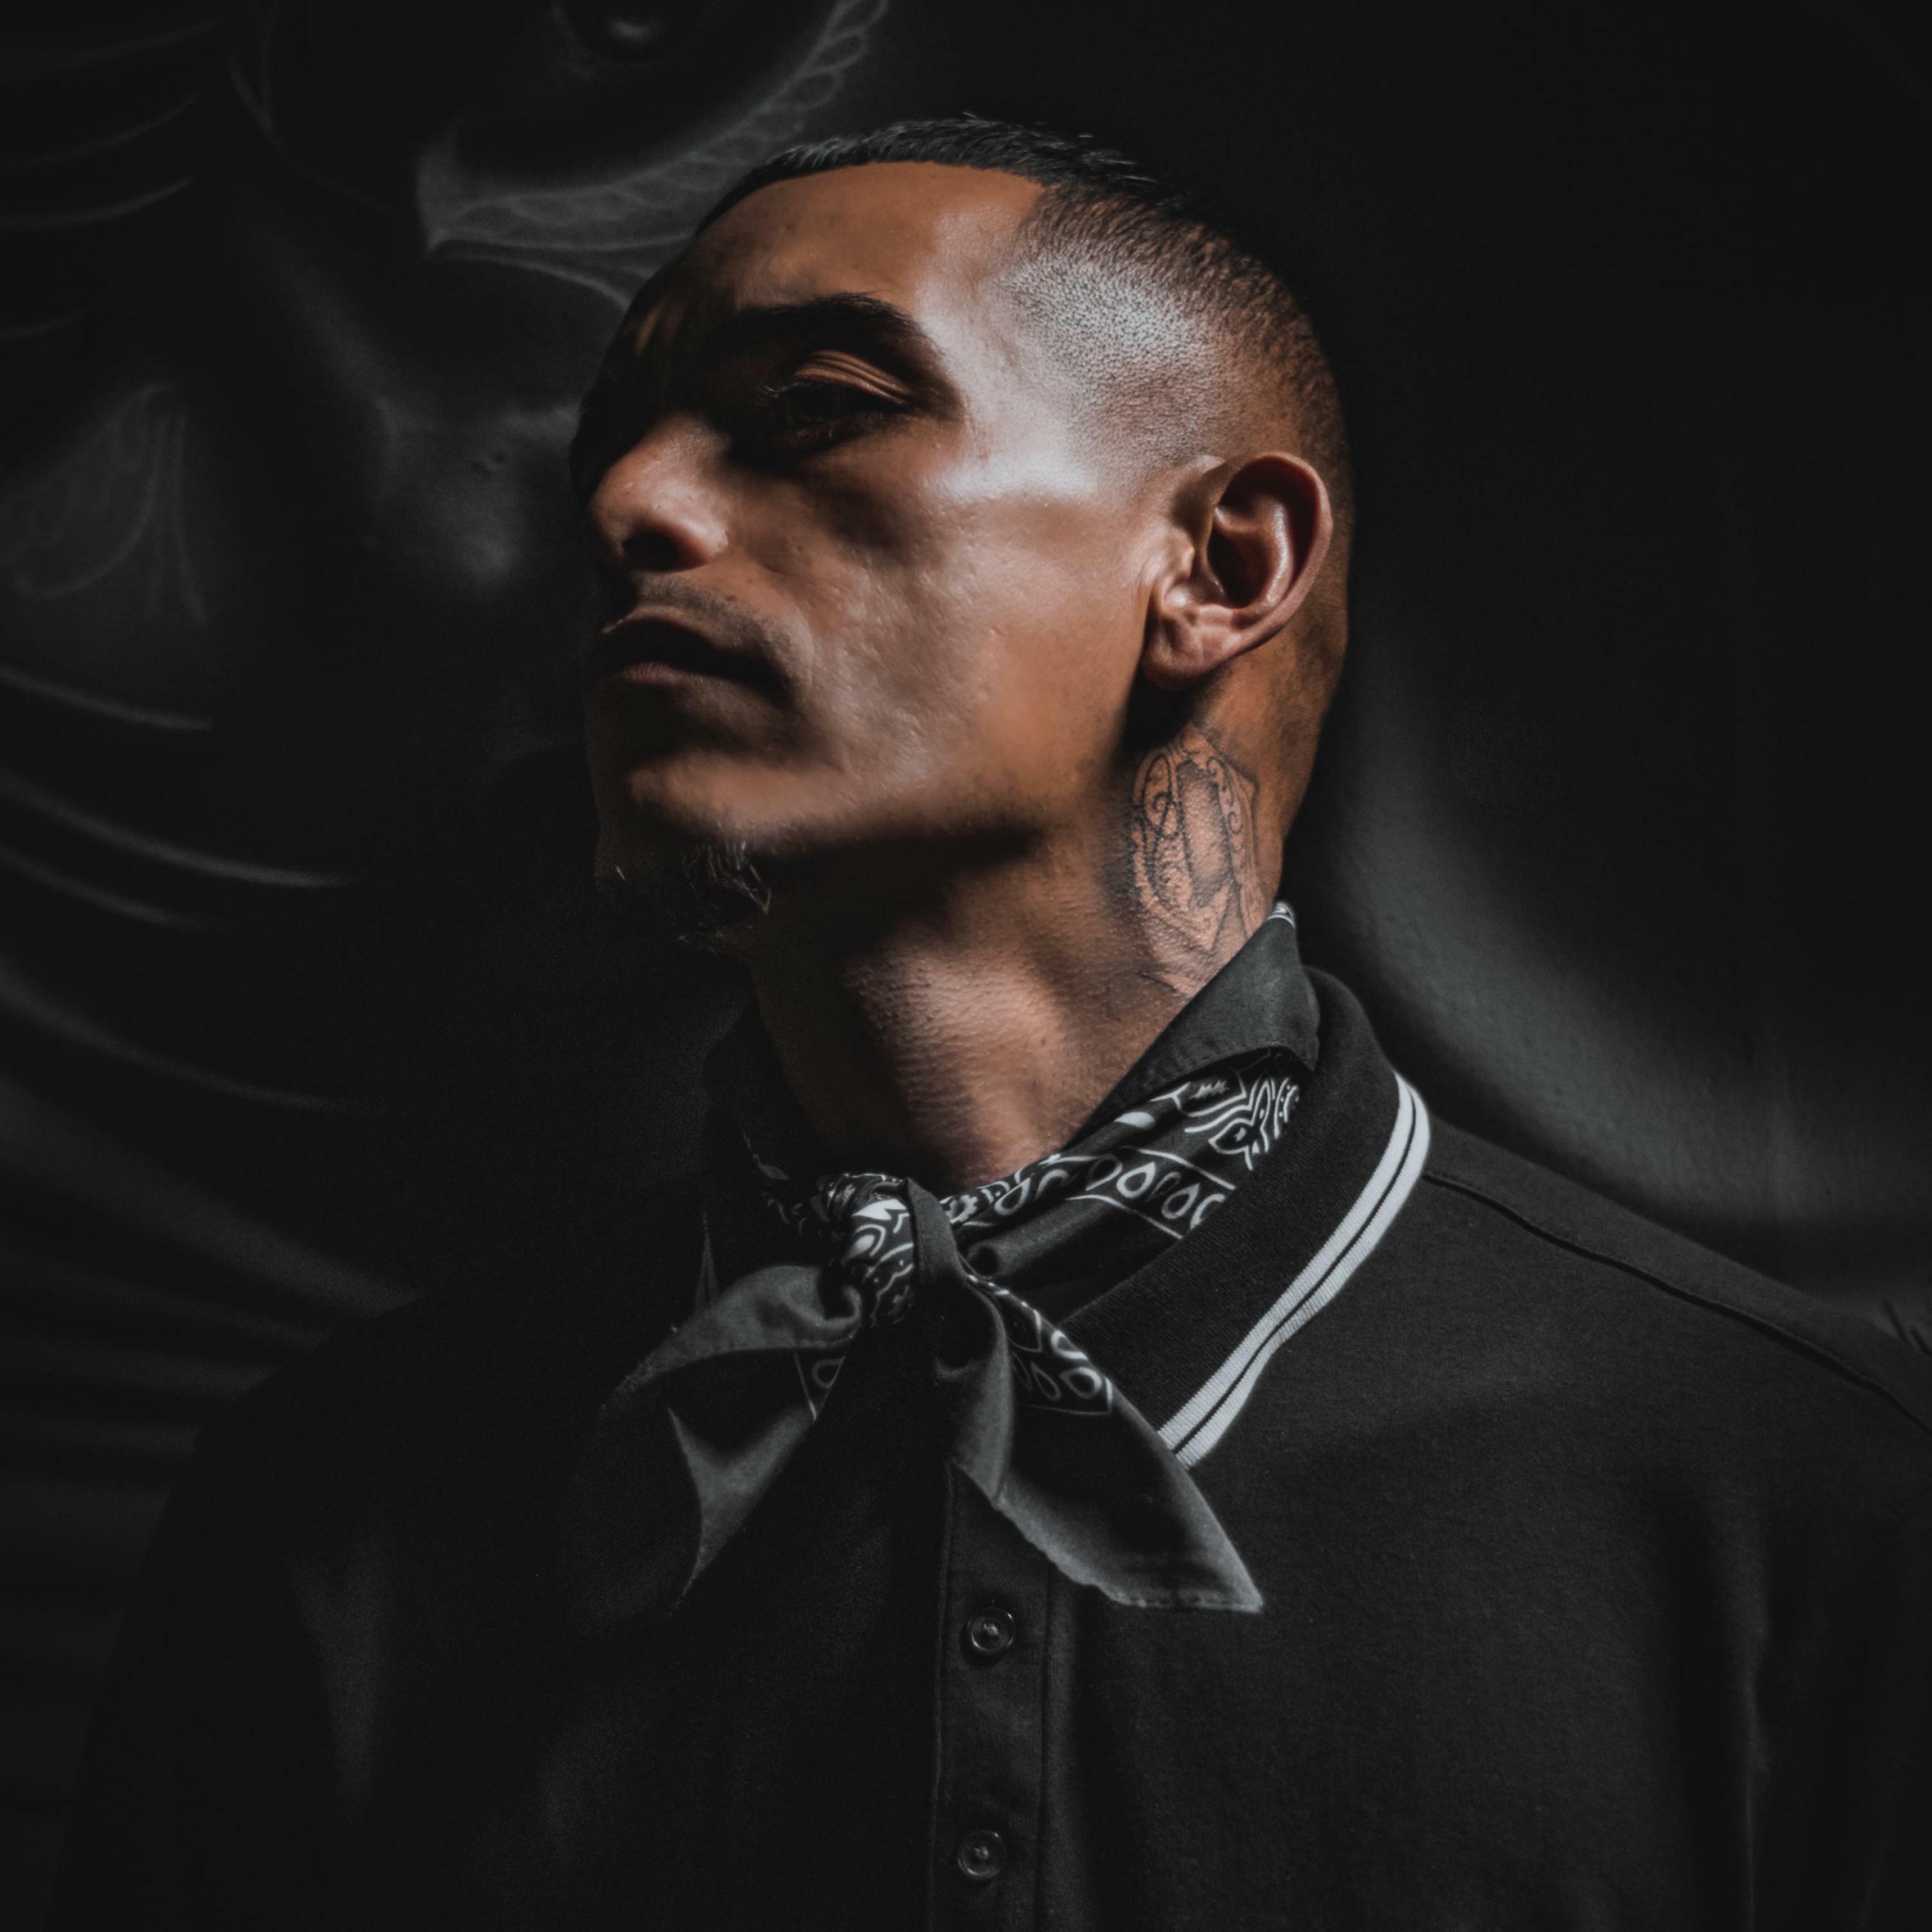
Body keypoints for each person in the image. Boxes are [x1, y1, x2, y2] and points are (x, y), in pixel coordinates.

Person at [50, 117, 1932, 1931]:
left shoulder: (1807, 1499)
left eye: (817, 409)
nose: (629, 507)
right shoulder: (329, 1520)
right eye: (613, 447)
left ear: (1220, 565)